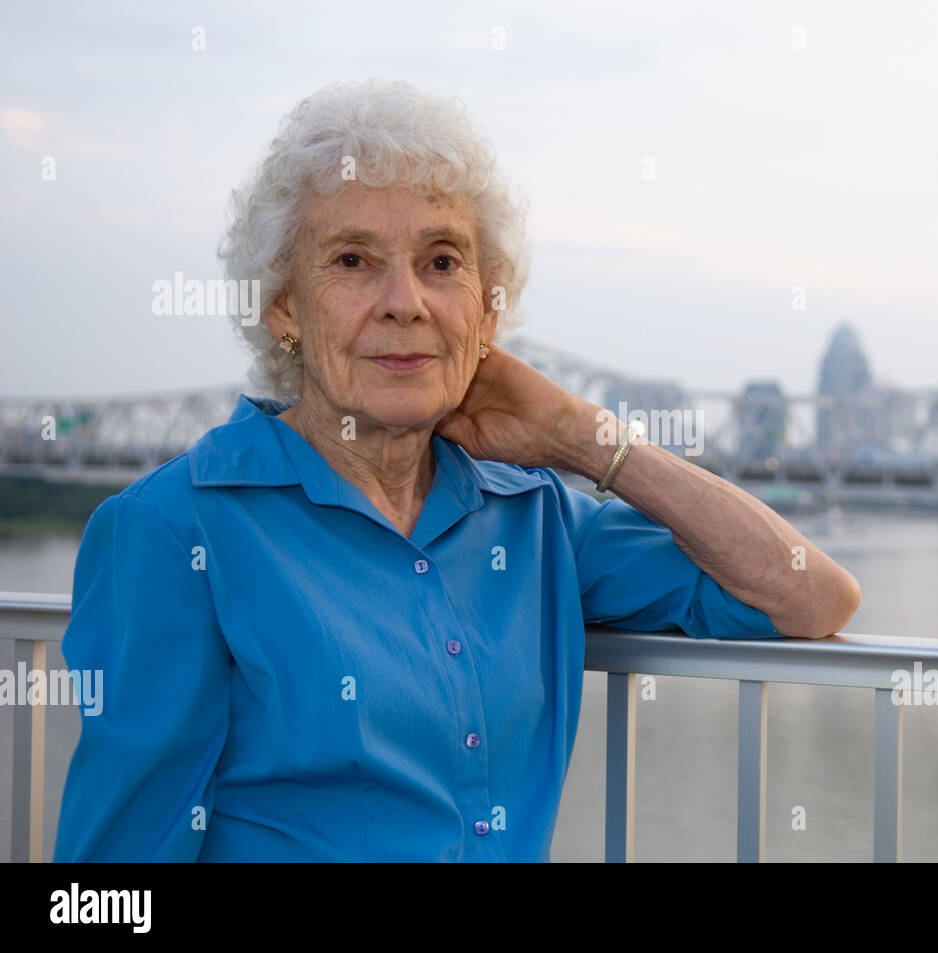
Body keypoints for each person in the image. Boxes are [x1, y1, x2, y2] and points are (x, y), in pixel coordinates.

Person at [52, 79, 861, 861]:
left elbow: (810, 594)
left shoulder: (535, 518)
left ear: (487, 311)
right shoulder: (175, 531)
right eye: (353, 260)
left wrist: (579, 435)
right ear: (284, 306)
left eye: (442, 262)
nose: (406, 301)